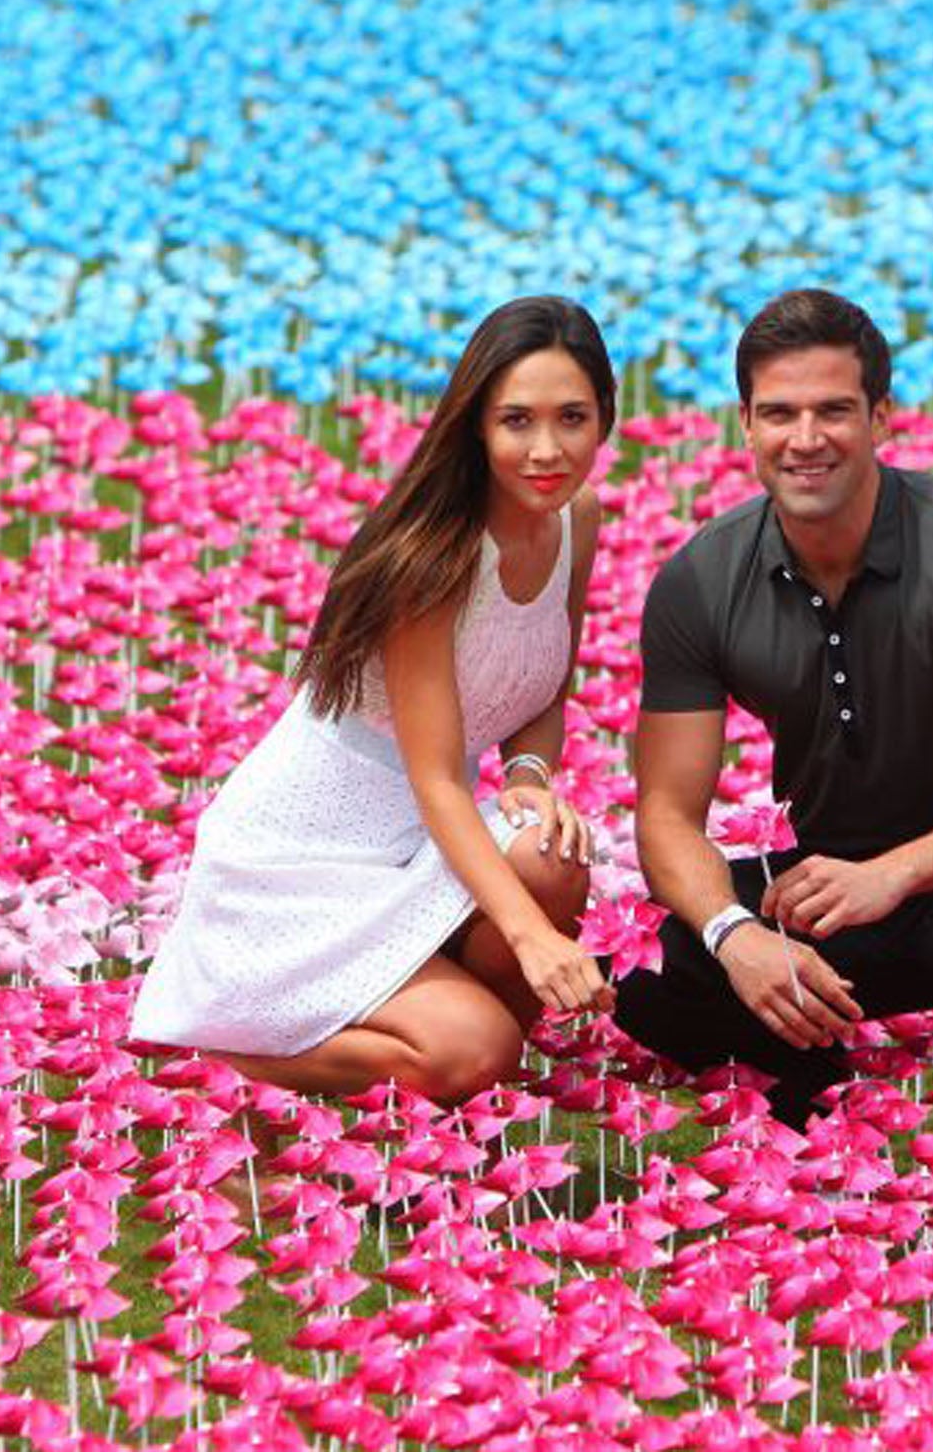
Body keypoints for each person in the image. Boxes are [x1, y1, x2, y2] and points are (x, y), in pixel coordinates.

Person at [615, 288, 933, 1132]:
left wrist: (894, 874)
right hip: (827, 896)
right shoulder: (699, 581)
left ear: (881, 417)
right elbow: (663, 815)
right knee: (683, 954)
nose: (806, 439)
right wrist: (739, 935)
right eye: (781, 414)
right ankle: (819, 1083)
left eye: (834, 411)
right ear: (746, 426)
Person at [132, 296, 617, 1109]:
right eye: (516, 422)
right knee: (476, 1049)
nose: (546, 449)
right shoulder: (432, 562)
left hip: (420, 845)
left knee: (551, 850)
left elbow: (545, 687)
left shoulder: (576, 520)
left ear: (606, 413)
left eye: (571, 418)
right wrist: (532, 940)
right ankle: (233, 1056)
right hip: (304, 863)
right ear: (475, 428)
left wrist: (531, 777)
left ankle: (452, 1037)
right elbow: (436, 781)